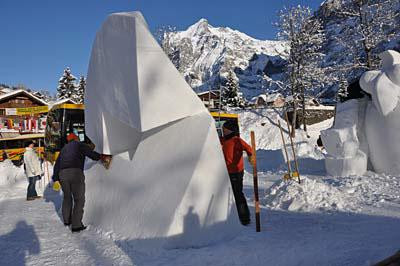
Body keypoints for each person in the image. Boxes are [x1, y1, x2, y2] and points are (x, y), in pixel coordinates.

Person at [52, 133, 106, 233]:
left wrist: (55, 178)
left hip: (62, 174)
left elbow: (57, 165)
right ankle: (76, 225)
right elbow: (90, 153)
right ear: (76, 138)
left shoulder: (63, 150)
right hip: (75, 172)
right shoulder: (79, 145)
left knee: (67, 197)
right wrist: (101, 157)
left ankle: (67, 221)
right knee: (79, 199)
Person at [220, 120, 253, 225]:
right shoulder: (223, 140)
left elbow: (249, 148)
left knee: (237, 194)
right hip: (225, 172)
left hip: (236, 172)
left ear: (231, 130)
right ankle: (230, 216)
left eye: (225, 129)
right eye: (223, 129)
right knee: (226, 194)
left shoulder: (236, 140)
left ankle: (244, 218)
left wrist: (251, 156)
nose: (223, 131)